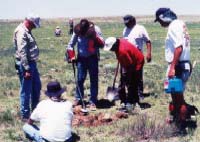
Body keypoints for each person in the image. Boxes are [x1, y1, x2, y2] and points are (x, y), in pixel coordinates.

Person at [154, 8, 192, 133]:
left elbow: (178, 48)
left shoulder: (173, 26)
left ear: (164, 17)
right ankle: (179, 120)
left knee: (178, 99)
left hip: (178, 67)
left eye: (160, 20)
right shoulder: (181, 24)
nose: (160, 24)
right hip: (183, 65)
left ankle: (181, 127)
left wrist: (172, 68)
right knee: (177, 97)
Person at [66, 19, 104, 110]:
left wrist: (94, 37)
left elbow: (102, 44)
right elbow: (70, 45)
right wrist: (72, 56)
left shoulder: (95, 30)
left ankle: (93, 101)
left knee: (93, 80)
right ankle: (78, 98)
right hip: (81, 58)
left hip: (93, 57)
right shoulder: (77, 30)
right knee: (80, 79)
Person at [104, 37, 144, 112]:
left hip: (137, 62)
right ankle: (124, 100)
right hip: (130, 60)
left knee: (132, 82)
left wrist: (128, 77)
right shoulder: (119, 42)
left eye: (111, 48)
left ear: (115, 45)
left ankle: (133, 102)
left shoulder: (122, 51)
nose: (110, 50)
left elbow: (130, 65)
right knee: (123, 81)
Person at [13, 14, 42, 121]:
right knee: (26, 90)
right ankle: (25, 115)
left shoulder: (27, 31)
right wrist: (26, 69)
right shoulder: (21, 31)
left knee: (36, 87)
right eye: (34, 25)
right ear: (29, 22)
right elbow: (22, 52)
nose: (34, 27)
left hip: (31, 64)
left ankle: (35, 112)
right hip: (26, 65)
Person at [121, 14, 152, 101]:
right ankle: (131, 94)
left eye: (128, 23)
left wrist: (148, 53)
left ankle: (139, 94)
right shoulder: (125, 29)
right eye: (125, 23)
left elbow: (148, 41)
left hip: (137, 55)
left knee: (138, 75)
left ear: (133, 20)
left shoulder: (140, 28)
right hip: (127, 56)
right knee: (127, 75)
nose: (126, 25)